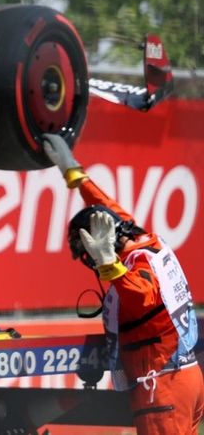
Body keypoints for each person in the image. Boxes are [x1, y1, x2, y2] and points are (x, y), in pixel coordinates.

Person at [44, 133, 203, 434]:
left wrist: (108, 262)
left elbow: (143, 294)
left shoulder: (130, 263)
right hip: (183, 378)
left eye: (88, 253)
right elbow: (106, 211)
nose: (89, 260)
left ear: (108, 244)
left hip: (161, 385)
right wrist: (73, 173)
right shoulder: (143, 241)